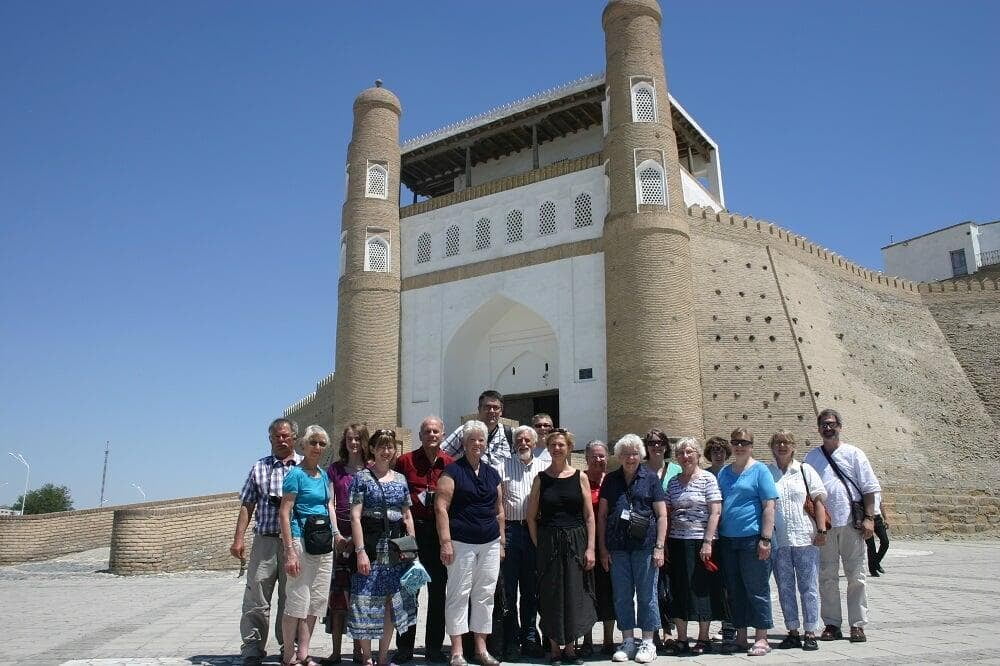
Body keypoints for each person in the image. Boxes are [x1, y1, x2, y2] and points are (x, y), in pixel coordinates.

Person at [803, 409, 881, 644]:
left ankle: (857, 624)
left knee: (856, 575)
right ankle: (832, 624)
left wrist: (870, 518)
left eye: (832, 424)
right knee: (826, 576)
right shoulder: (811, 458)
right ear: (818, 429)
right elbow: (807, 493)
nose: (828, 428)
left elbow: (869, 488)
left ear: (839, 426)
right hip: (824, 526)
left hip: (850, 523)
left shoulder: (854, 454)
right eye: (824, 425)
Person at [232, 418, 304, 665]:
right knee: (256, 597)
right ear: (270, 439)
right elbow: (247, 504)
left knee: (291, 597)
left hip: (294, 543)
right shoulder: (259, 468)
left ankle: (289, 647)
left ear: (294, 437)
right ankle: (252, 647)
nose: (281, 440)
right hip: (265, 540)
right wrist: (238, 538)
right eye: (276, 436)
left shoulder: (304, 467)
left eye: (285, 436)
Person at [436, 420, 505, 666]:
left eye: (481, 440)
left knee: (485, 594)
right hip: (461, 542)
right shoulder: (452, 471)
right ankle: (456, 651)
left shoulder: (492, 473)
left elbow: (499, 510)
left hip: (489, 542)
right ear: (463, 443)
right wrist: (445, 542)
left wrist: (502, 542)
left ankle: (481, 648)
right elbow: (441, 508)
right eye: (472, 440)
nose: (477, 444)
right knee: (458, 594)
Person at [348, 429, 418, 666]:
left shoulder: (400, 479)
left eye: (390, 447)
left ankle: (383, 655)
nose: (386, 452)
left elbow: (407, 515)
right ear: (373, 449)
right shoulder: (362, 478)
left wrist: (413, 550)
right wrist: (360, 552)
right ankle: (366, 656)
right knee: (366, 599)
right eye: (382, 447)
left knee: (391, 600)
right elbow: (355, 517)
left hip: (396, 549)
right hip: (371, 545)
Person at [527, 428, 597, 665]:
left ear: (568, 448)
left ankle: (570, 648)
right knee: (551, 593)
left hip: (577, 540)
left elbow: (589, 516)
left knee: (575, 592)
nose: (557, 449)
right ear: (548, 448)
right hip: (549, 540)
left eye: (561, 445)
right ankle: (555, 648)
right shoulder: (541, 478)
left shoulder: (580, 477)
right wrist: (540, 543)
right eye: (553, 445)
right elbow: (531, 516)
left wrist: (590, 548)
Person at [597, 434, 668, 664]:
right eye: (626, 453)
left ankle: (648, 641)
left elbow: (662, 514)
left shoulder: (650, 478)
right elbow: (602, 516)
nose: (630, 457)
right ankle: (628, 640)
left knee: (647, 596)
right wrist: (603, 549)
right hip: (617, 547)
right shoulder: (611, 480)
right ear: (619, 456)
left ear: (641, 455)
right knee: (622, 595)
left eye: (635, 453)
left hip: (645, 546)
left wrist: (659, 546)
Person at [280, 425, 343, 666]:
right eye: (313, 443)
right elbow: (285, 513)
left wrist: (336, 535)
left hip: (323, 541)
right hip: (300, 540)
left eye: (322, 444)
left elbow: (329, 507)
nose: (317, 447)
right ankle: (288, 654)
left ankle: (304, 653)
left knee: (316, 601)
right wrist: (289, 551)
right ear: (303, 446)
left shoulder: (324, 475)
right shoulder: (295, 475)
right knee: (297, 598)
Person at [393, 417, 453, 663]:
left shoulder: (450, 463)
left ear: (442, 434)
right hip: (410, 534)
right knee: (409, 590)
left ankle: (434, 648)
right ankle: (405, 647)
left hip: (438, 534)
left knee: (438, 593)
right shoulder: (405, 461)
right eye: (427, 431)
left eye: (435, 431)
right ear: (420, 435)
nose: (431, 434)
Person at [716, 427, 778, 657]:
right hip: (728, 540)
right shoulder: (724, 473)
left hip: (753, 539)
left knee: (757, 589)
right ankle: (741, 636)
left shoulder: (760, 470)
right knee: (734, 590)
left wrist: (765, 538)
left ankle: (761, 637)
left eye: (744, 442)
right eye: (735, 442)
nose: (739, 446)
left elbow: (769, 505)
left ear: (751, 446)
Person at [663, 437, 725, 656]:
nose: (685, 456)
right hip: (677, 541)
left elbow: (715, 512)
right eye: (681, 453)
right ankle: (681, 638)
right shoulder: (673, 482)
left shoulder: (708, 479)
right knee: (678, 588)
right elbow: (667, 513)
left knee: (701, 589)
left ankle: (703, 637)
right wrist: (664, 543)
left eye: (689, 452)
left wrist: (708, 541)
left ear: (698, 455)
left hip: (701, 541)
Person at [767, 430, 828, 652]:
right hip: (779, 539)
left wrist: (821, 530)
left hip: (805, 537)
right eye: (777, 442)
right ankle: (792, 631)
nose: (782, 446)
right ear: (772, 447)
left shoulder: (805, 470)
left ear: (793, 446)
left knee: (809, 586)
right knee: (784, 587)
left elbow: (819, 500)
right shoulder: (767, 472)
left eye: (786, 442)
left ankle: (810, 631)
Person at [498, 425, 547, 660]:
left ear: (535, 443)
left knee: (531, 589)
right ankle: (511, 640)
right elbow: (497, 505)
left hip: (533, 531)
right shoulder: (502, 466)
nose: (523, 443)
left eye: (528, 440)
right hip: (510, 530)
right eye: (519, 439)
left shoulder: (544, 467)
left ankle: (529, 637)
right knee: (508, 589)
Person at [326, 423, 371, 664]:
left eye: (357, 439)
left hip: (363, 540)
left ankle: (358, 651)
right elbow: (330, 503)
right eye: (349, 439)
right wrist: (336, 534)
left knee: (359, 597)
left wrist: (356, 539)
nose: (353, 443)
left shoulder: (371, 470)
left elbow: (370, 508)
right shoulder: (335, 470)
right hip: (339, 538)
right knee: (338, 598)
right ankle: (335, 652)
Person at [643, 428, 681, 648]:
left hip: (673, 535)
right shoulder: (640, 470)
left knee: (670, 584)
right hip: (649, 535)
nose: (656, 446)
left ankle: (669, 630)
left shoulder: (676, 470)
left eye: (660, 442)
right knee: (652, 586)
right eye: (651, 443)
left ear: (666, 446)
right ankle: (654, 629)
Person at [580, 440, 615, 656]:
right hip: (585, 545)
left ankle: (609, 640)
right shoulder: (580, 479)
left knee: (608, 592)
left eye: (602, 456)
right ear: (586, 458)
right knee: (586, 592)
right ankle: (586, 639)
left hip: (609, 545)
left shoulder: (612, 481)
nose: (599, 460)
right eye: (594, 456)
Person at [441, 390, 512, 467]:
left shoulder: (510, 434)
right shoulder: (465, 431)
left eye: (496, 408)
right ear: (479, 409)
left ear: (501, 411)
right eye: (487, 407)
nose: (491, 411)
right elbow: (441, 454)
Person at [866, 493, 889, 577]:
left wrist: (885, 518)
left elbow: (880, 504)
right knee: (871, 545)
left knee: (885, 542)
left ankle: (875, 563)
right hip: (867, 518)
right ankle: (872, 570)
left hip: (878, 518)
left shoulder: (877, 490)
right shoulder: (864, 489)